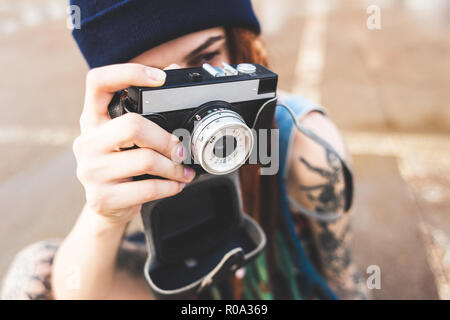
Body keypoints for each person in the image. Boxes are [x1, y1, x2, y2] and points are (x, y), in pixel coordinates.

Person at [1, 0, 367, 300]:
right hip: (178, 265)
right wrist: (105, 215)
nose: (189, 100)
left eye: (204, 62)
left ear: (244, 46)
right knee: (34, 270)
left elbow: (344, 282)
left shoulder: (304, 147)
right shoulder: (127, 142)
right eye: (154, 84)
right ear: (117, 98)